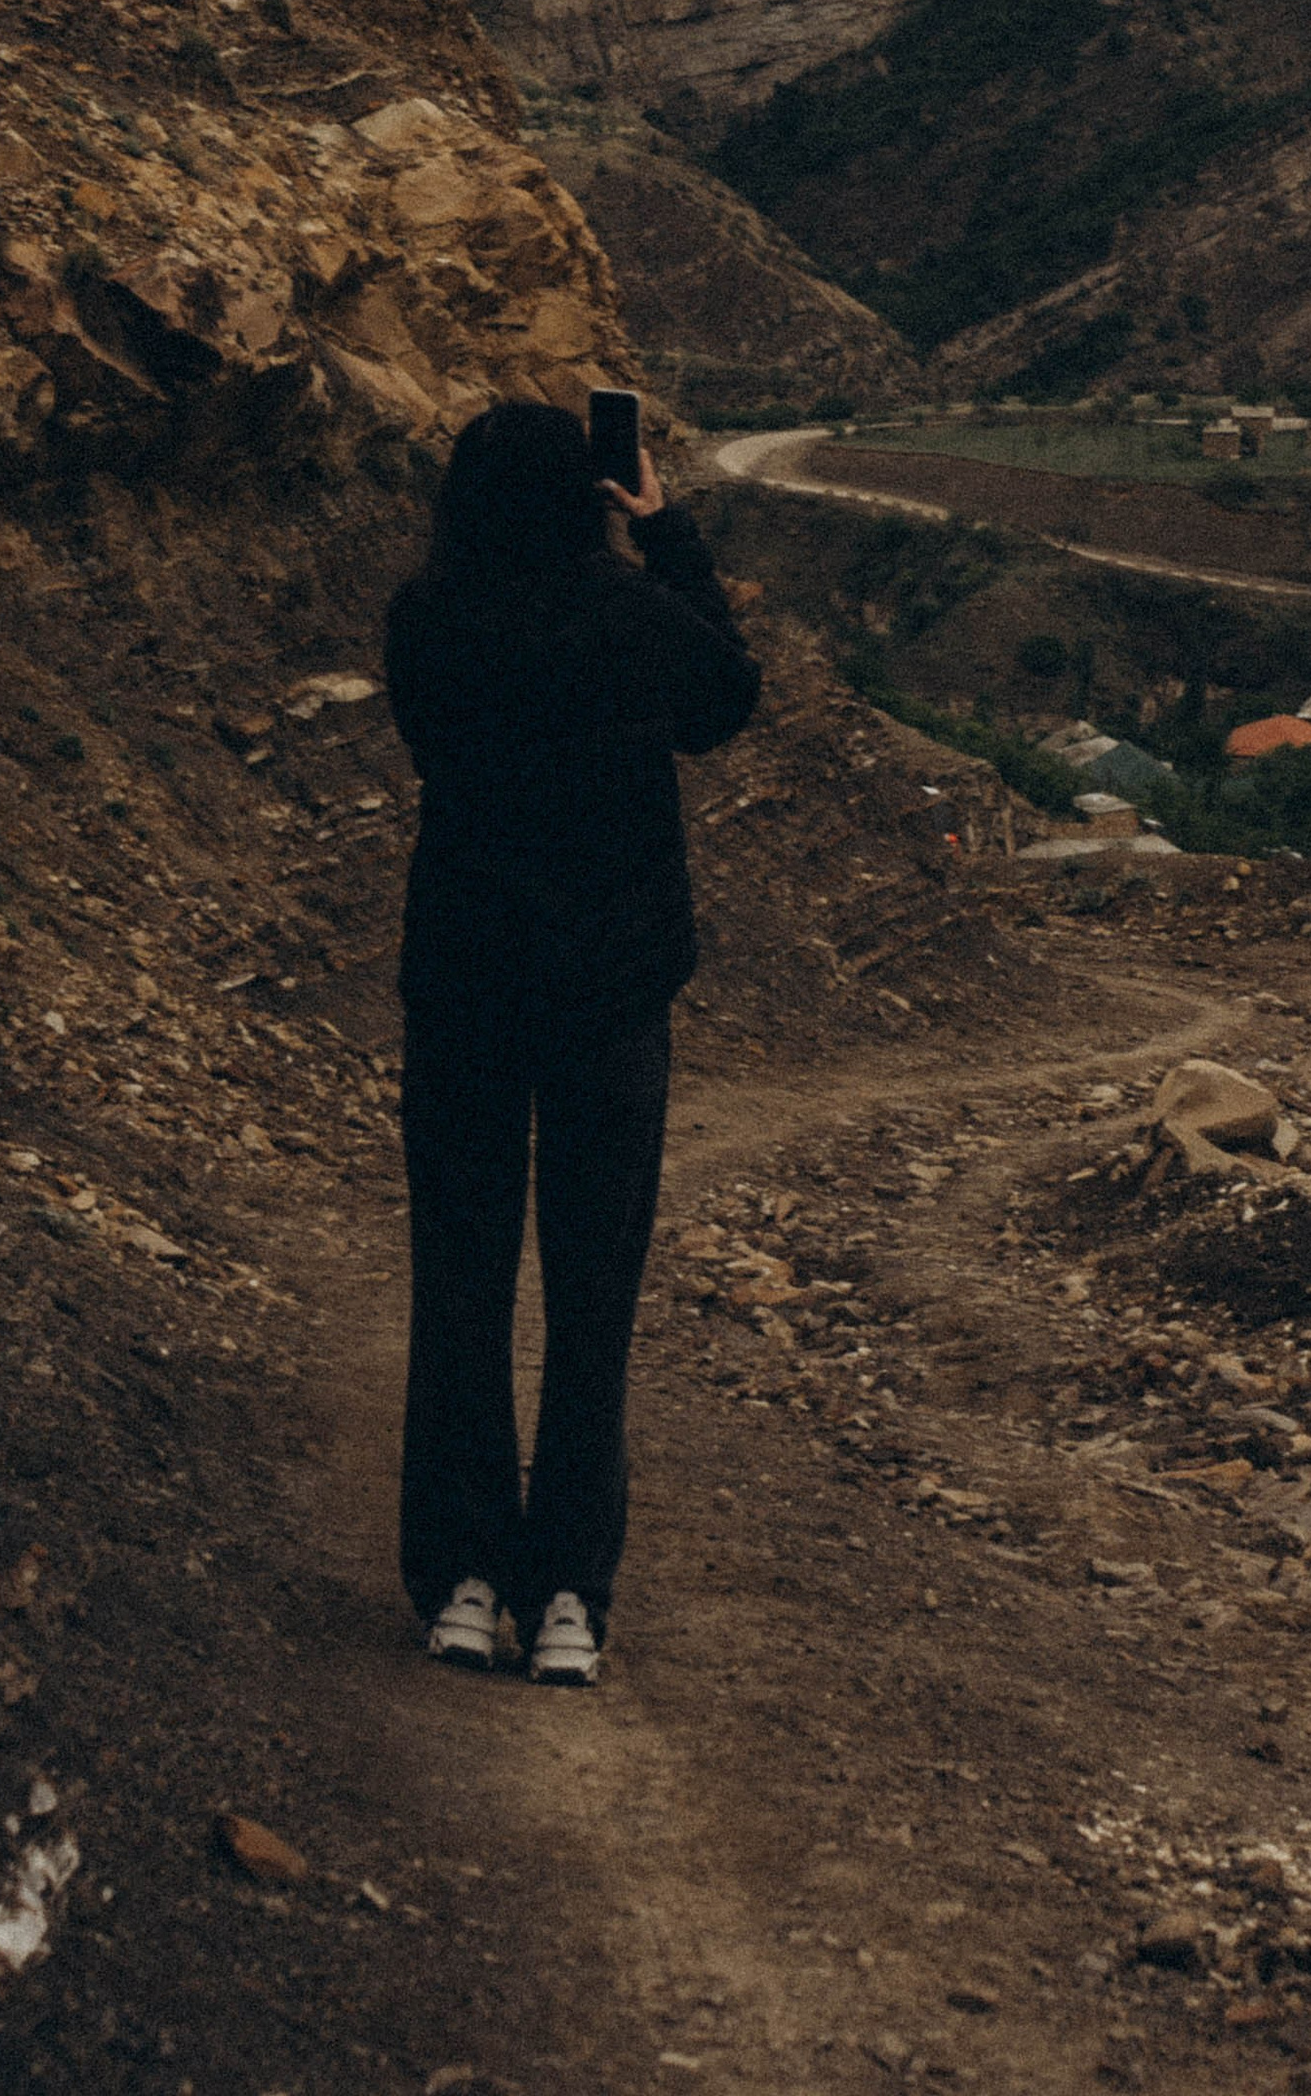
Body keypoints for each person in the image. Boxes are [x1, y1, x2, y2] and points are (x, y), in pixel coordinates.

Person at [382, 398, 760, 1686]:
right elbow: (727, 699)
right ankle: (570, 1605)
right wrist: (667, 535)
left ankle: (464, 1582)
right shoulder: (635, 622)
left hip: (466, 991)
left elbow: (432, 745)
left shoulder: (424, 621)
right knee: (593, 1302)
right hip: (610, 999)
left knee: (462, 1287)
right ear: (588, 494)